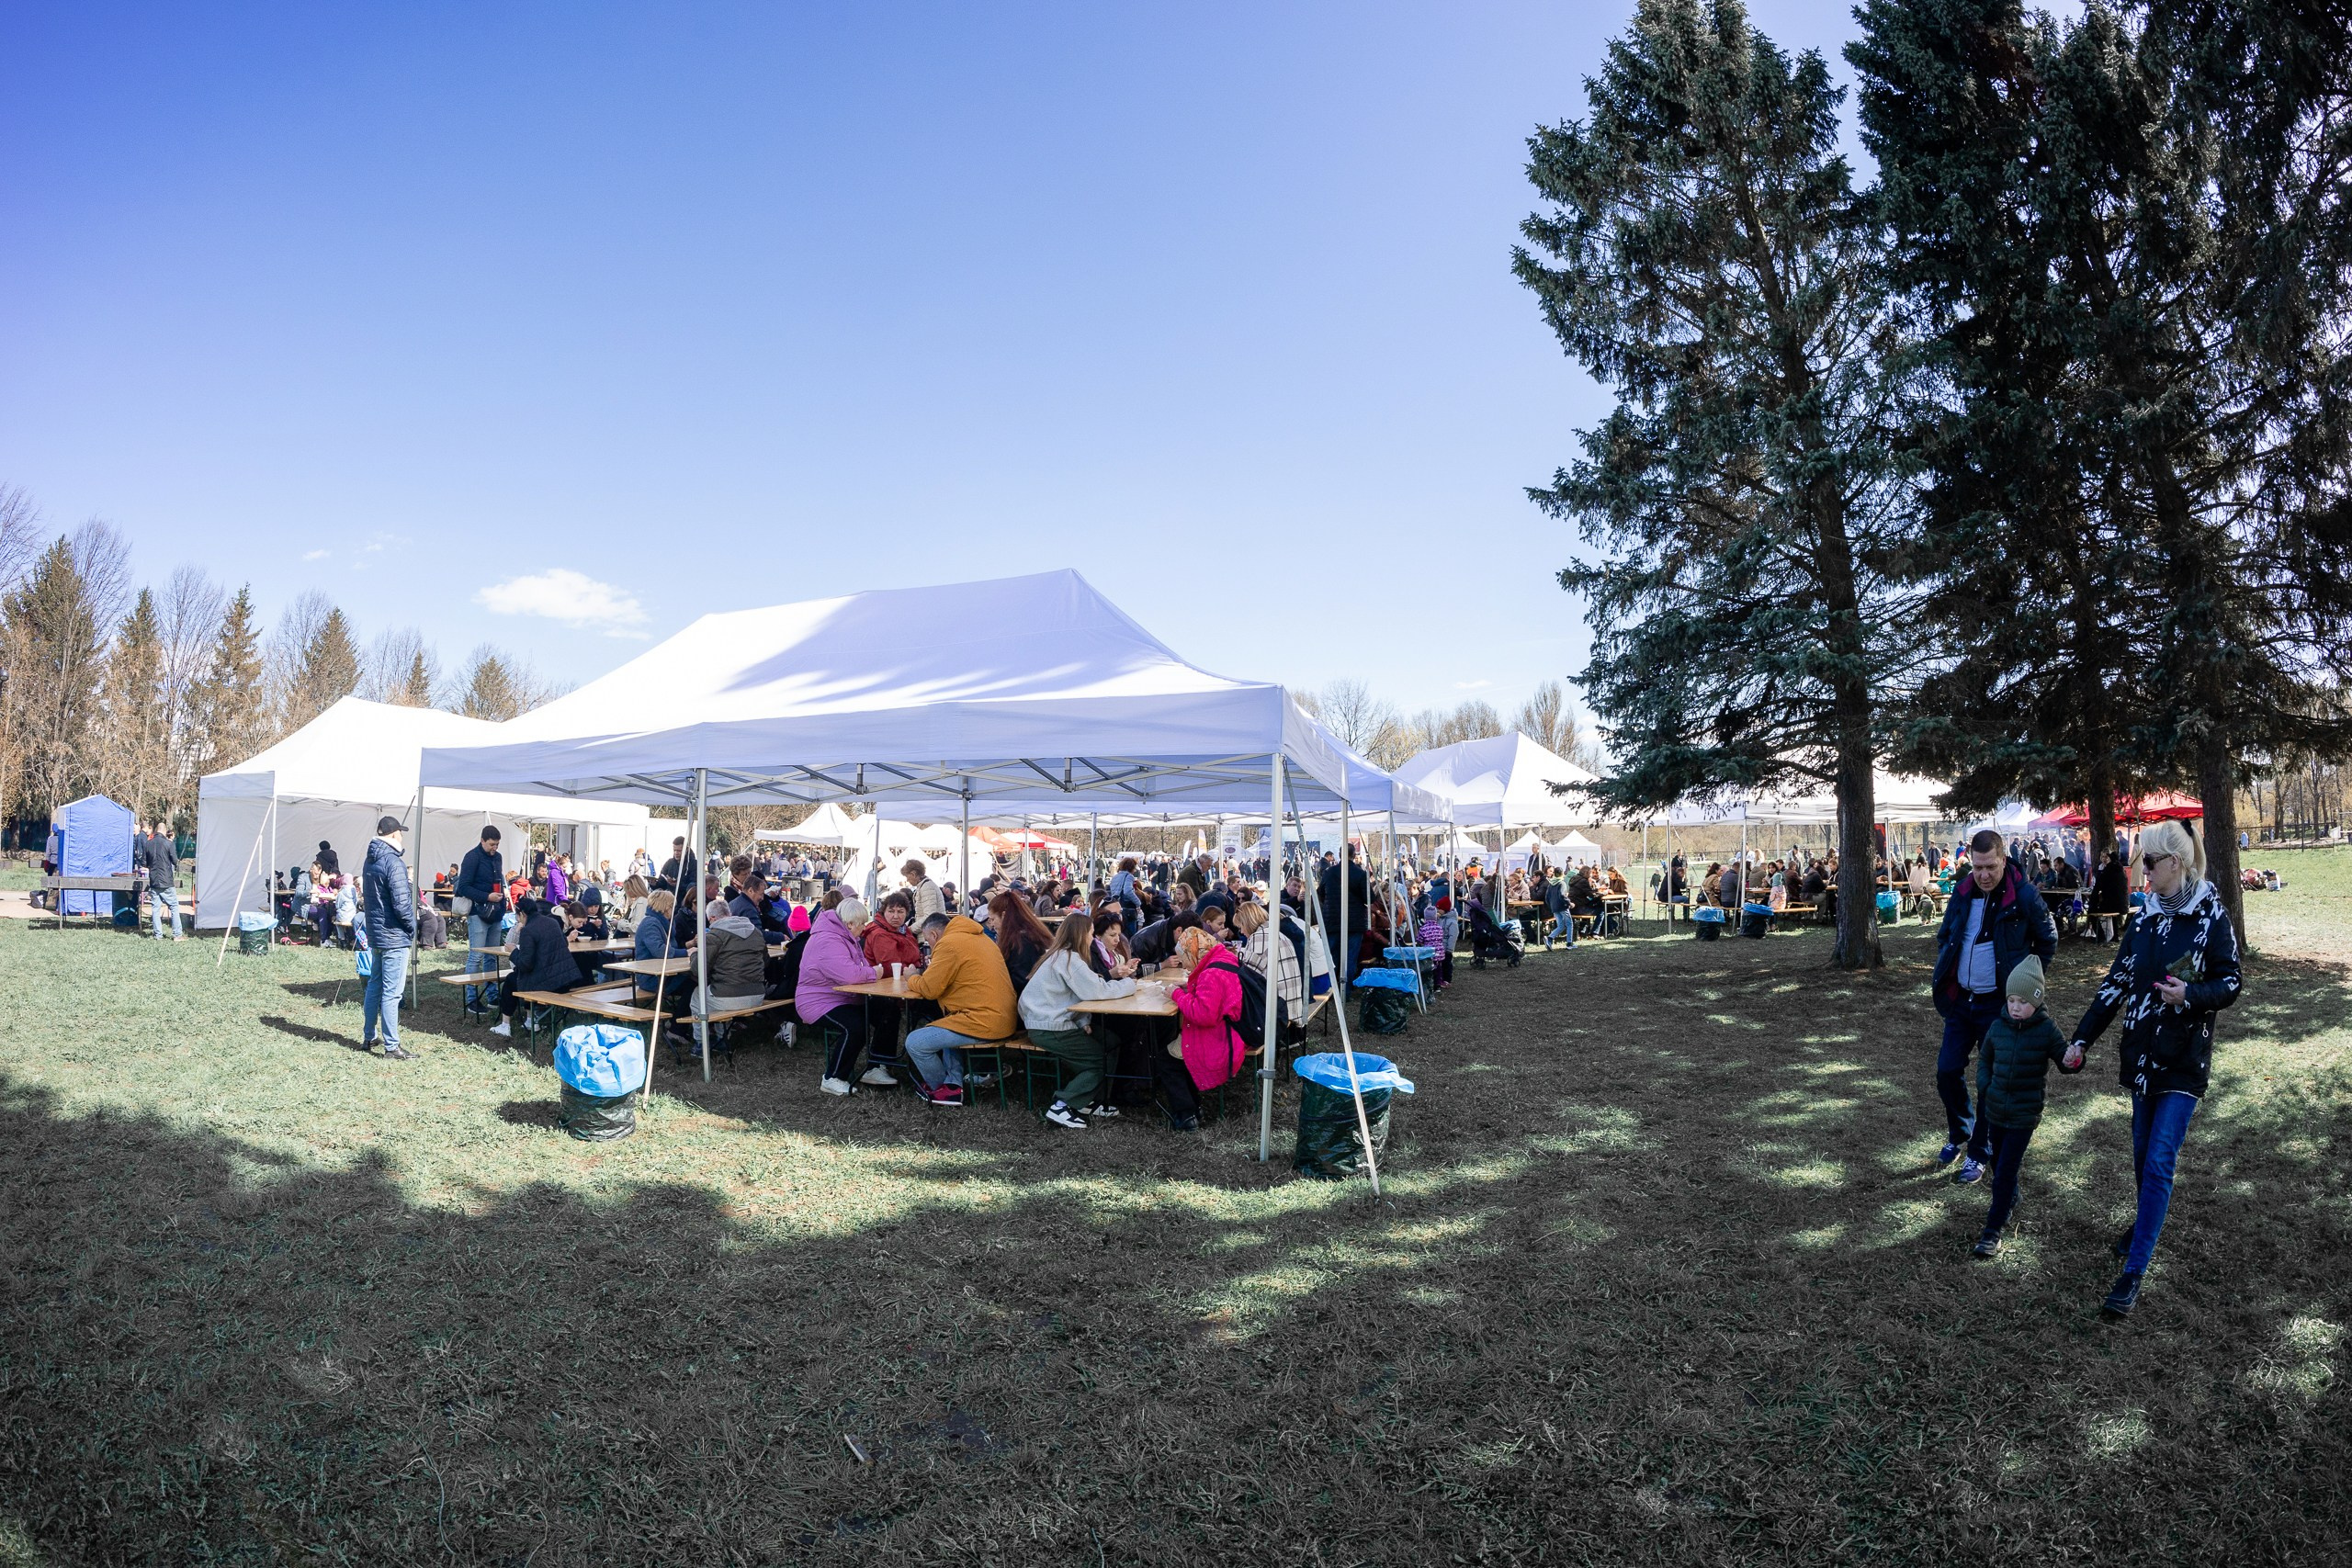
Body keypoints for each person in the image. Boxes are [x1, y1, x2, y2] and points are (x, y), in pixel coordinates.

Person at [2064, 818, 2242, 1319]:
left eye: (2150, 863)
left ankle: (2133, 1271)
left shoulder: (2209, 915)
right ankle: (2143, 1225)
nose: (2142, 872)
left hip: (2184, 1059)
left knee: (2160, 1160)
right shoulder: (2144, 918)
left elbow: (2231, 981)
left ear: (2177, 864)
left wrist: (2192, 996)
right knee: (2143, 1157)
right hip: (2142, 1057)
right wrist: (2081, 1038)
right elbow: (2115, 985)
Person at [1929, 829, 2059, 1186]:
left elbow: (2047, 940)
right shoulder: (1963, 890)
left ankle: (1978, 1153)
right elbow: (1947, 933)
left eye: (1990, 866)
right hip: (1962, 1002)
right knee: (1946, 1071)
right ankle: (1960, 1132)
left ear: (2004, 859)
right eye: (1977, 867)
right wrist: (1946, 960)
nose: (1984, 875)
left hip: (1997, 1007)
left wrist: (2026, 987)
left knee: (1989, 1083)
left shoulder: (2024, 896)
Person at [1966, 955, 2076, 1258]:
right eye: (2012, 1000)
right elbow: (1985, 1058)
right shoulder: (1998, 1026)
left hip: (2024, 1116)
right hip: (1995, 1110)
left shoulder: (2046, 1030)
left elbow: (2065, 1060)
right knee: (1996, 1163)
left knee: (2004, 1173)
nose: (2016, 1007)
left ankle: (1992, 1232)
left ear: (2037, 1001)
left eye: (2023, 1002)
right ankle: (2010, 1195)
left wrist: (2073, 1060)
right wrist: (1985, 1085)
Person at [1021, 911, 1138, 1130]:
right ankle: (1063, 1105)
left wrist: (1082, 1019)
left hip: (1049, 1022)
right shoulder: (1069, 959)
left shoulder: (1060, 955)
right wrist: (1130, 984)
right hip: (1050, 1026)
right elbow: (1096, 990)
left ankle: (1091, 1101)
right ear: (1082, 934)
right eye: (1091, 934)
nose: (1092, 939)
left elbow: (1077, 992)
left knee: (1110, 1042)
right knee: (1097, 1060)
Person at [902, 909, 1020, 1107]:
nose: (931, 947)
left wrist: (912, 977)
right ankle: (953, 1084)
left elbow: (929, 989)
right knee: (945, 1024)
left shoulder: (948, 944)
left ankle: (940, 1088)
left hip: (984, 1021)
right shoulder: (980, 937)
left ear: (933, 935)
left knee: (915, 1042)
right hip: (1004, 1018)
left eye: (929, 943)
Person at [798, 897, 885, 1095]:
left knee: (886, 1011)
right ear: (850, 924)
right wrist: (874, 973)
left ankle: (877, 1065)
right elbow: (849, 975)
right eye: (862, 923)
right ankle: (833, 1077)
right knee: (854, 1026)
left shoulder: (844, 936)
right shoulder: (828, 940)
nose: (864, 927)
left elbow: (856, 968)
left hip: (841, 997)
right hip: (817, 1001)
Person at [1168, 925, 1247, 1131]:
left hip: (1220, 1040)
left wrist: (1176, 995)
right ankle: (1194, 1108)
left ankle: (1187, 1115)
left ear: (1192, 951)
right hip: (1232, 1032)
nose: (1186, 967)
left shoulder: (1211, 973)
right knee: (1174, 1054)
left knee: (1167, 1060)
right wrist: (1190, 989)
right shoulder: (1223, 957)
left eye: (1185, 960)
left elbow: (1203, 1015)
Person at [358, 816, 418, 1058]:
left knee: (374, 985)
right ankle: (391, 1045)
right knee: (392, 993)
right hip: (394, 935)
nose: (402, 836)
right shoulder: (394, 862)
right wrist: (412, 927)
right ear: (394, 835)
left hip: (377, 934)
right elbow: (402, 904)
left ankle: (369, 1035)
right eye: (401, 833)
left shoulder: (369, 860)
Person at [490, 896, 575, 1040]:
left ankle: (505, 1025)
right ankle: (530, 1020)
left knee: (512, 979)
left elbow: (525, 964)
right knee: (523, 978)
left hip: (547, 984)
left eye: (518, 916)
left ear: (522, 914)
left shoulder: (528, 930)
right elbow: (563, 945)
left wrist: (513, 951)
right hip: (565, 980)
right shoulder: (552, 922)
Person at [453, 827, 508, 1012]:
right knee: (476, 956)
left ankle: (493, 996)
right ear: (483, 840)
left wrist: (500, 897)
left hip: (495, 912)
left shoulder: (497, 857)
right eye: (492, 844)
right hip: (478, 912)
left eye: (497, 844)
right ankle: (472, 999)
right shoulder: (472, 857)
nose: (495, 848)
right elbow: (463, 888)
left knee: (492, 956)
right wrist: (487, 896)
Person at [692, 897, 770, 1021]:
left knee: (697, 996)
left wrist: (695, 953)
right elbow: (766, 961)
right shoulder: (755, 932)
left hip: (728, 996)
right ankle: (722, 1034)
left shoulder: (714, 936)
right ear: (729, 914)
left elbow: (698, 969)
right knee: (717, 990)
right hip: (758, 994)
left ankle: (701, 1038)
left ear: (712, 918)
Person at [1234, 900, 1303, 1022]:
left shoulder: (1259, 937)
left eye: (1241, 927)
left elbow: (1248, 978)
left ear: (1248, 922)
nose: (1242, 932)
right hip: (1292, 1005)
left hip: (1279, 1010)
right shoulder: (1276, 933)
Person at [990, 889, 1053, 994]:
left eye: (992, 919)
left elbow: (1021, 981)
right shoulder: (1029, 935)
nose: (992, 925)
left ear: (1004, 915)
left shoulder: (1022, 942)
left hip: (1027, 1002)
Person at [629, 889, 685, 1007]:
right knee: (692, 984)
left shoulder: (661, 923)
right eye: (672, 906)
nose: (673, 910)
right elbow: (660, 950)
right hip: (651, 978)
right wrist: (686, 952)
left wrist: (687, 948)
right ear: (666, 907)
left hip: (664, 974)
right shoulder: (650, 924)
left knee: (694, 981)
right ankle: (679, 1021)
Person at [138, 819, 184, 941]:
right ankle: (177, 934)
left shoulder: (148, 844)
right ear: (164, 831)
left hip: (154, 881)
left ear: (156, 830)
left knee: (155, 908)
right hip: (167, 881)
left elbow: (144, 863)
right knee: (173, 906)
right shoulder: (169, 844)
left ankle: (158, 935)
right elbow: (175, 861)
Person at [2090, 846, 2130, 942]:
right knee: (2110, 907)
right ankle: (2114, 936)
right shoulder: (2119, 868)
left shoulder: (2108, 870)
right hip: (2123, 903)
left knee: (2091, 911)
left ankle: (2101, 937)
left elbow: (2098, 886)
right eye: (2103, 857)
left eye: (2106, 857)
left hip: (2116, 904)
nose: (2104, 859)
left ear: (2110, 858)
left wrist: (2093, 898)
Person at [1105, 855, 1143, 935]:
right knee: (1131, 935)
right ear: (1131, 867)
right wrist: (1138, 902)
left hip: (1117, 907)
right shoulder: (1129, 876)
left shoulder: (1115, 877)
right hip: (1128, 909)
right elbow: (1127, 891)